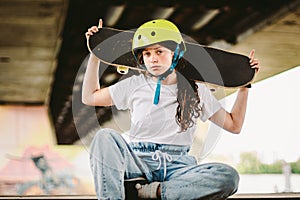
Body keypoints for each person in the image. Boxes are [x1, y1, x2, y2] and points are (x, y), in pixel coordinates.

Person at [83, 19, 260, 200]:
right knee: (103, 137)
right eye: (147, 53)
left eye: (159, 52)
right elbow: (89, 97)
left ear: (175, 53)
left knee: (228, 177)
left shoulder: (197, 91)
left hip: (179, 168)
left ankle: (152, 191)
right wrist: (97, 53)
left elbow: (234, 125)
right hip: (138, 163)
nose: (153, 58)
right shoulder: (134, 84)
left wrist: (244, 87)